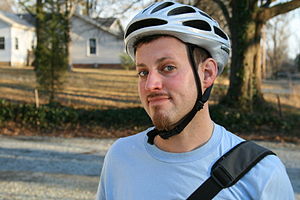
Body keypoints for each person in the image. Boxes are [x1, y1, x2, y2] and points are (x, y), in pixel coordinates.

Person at [96, 1, 294, 199]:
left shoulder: (261, 175)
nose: (150, 84)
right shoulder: (120, 158)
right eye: (143, 72)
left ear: (207, 74)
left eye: (168, 67)